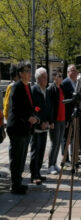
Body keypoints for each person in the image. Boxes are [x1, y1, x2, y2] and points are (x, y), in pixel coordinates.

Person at [7, 61, 39, 194]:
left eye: (29, 71)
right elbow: (15, 108)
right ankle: (15, 185)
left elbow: (29, 106)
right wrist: (28, 117)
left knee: (22, 157)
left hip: (25, 128)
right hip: (17, 128)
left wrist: (35, 115)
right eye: (26, 71)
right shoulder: (17, 87)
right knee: (17, 157)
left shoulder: (27, 87)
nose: (29, 73)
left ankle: (19, 182)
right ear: (20, 74)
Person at [30, 67, 51, 185]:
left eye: (46, 76)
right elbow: (33, 109)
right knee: (35, 151)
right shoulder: (34, 90)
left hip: (45, 127)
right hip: (36, 127)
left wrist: (48, 121)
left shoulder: (46, 91)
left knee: (42, 151)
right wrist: (40, 121)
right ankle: (34, 175)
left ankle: (38, 172)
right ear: (38, 79)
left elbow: (49, 108)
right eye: (43, 77)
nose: (46, 79)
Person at [47, 67, 66, 175]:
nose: (60, 78)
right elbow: (50, 107)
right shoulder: (51, 89)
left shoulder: (62, 88)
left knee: (59, 143)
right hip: (55, 120)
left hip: (62, 120)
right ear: (54, 77)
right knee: (54, 143)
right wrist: (51, 121)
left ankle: (54, 164)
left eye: (61, 76)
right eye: (59, 76)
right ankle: (50, 165)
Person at [61, 64, 78, 165]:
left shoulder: (75, 82)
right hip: (67, 114)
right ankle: (65, 158)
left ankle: (73, 157)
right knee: (66, 136)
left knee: (72, 136)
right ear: (68, 72)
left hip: (74, 113)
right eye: (73, 70)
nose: (75, 72)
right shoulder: (66, 82)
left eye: (76, 70)